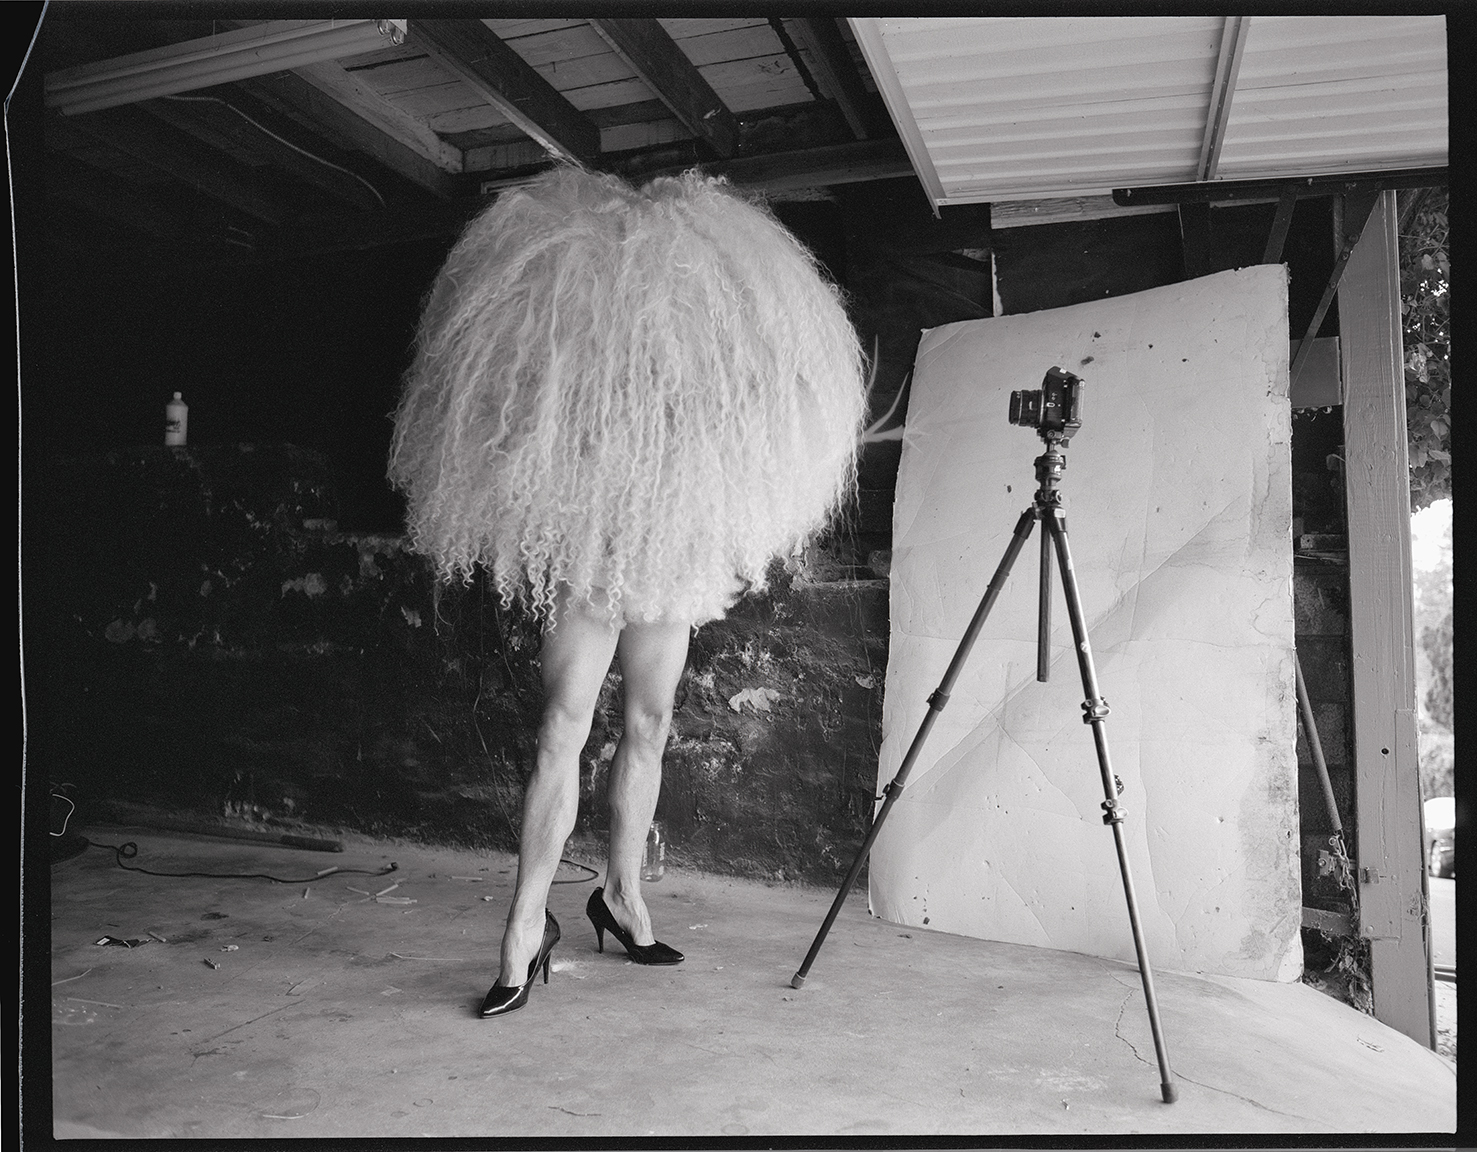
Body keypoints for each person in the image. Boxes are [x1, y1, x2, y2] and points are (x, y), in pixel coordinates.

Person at [388, 164, 867, 1016]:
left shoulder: (699, 375)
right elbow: (521, 426)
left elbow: (739, 426)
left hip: (669, 557)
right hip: (592, 557)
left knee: (648, 725)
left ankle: (622, 895)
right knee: (561, 728)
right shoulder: (572, 367)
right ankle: (523, 929)